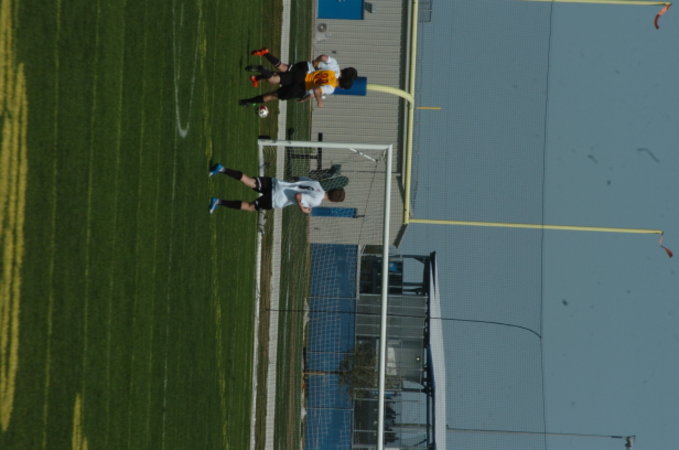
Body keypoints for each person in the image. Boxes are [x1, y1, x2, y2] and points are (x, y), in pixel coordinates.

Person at [238, 48, 358, 109]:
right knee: (273, 95)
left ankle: (262, 66)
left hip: (304, 71)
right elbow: (316, 90)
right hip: (301, 88)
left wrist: (316, 61)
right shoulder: (331, 88)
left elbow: (322, 58)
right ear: (342, 87)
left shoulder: (333, 68)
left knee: (281, 71)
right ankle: (247, 101)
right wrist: (318, 100)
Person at [208, 163, 346, 214]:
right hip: (277, 198)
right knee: (251, 207)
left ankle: (222, 169)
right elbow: (298, 196)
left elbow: (298, 178)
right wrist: (302, 208)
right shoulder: (316, 201)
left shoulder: (316, 183)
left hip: (277, 184)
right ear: (333, 201)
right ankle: (218, 202)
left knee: (249, 181)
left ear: (332, 189)